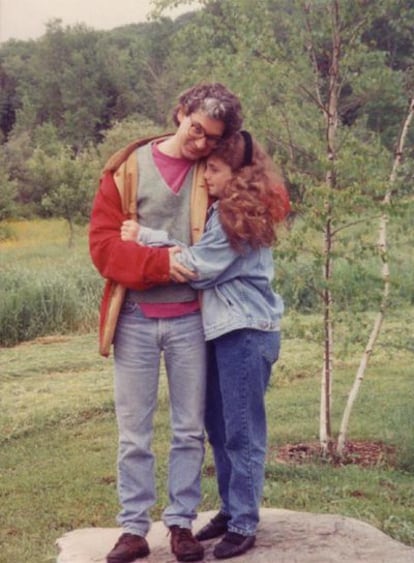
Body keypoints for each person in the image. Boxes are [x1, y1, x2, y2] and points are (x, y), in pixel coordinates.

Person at [89, 82, 243, 563]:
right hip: (133, 318)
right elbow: (103, 247)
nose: (200, 144)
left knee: (188, 430)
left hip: (192, 321)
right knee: (133, 431)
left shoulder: (216, 173)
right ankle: (134, 529)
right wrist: (158, 265)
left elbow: (268, 196)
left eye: (212, 138)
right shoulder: (127, 167)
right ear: (180, 113)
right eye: (196, 130)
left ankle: (181, 524)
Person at [121, 130, 291, 559]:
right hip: (222, 332)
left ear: (238, 176)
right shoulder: (222, 213)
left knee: (242, 433)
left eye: (213, 170)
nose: (205, 178)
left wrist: (144, 239)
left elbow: (199, 267)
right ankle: (231, 509)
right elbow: (199, 252)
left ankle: (244, 522)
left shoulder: (241, 216)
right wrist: (153, 237)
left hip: (246, 334)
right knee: (218, 427)